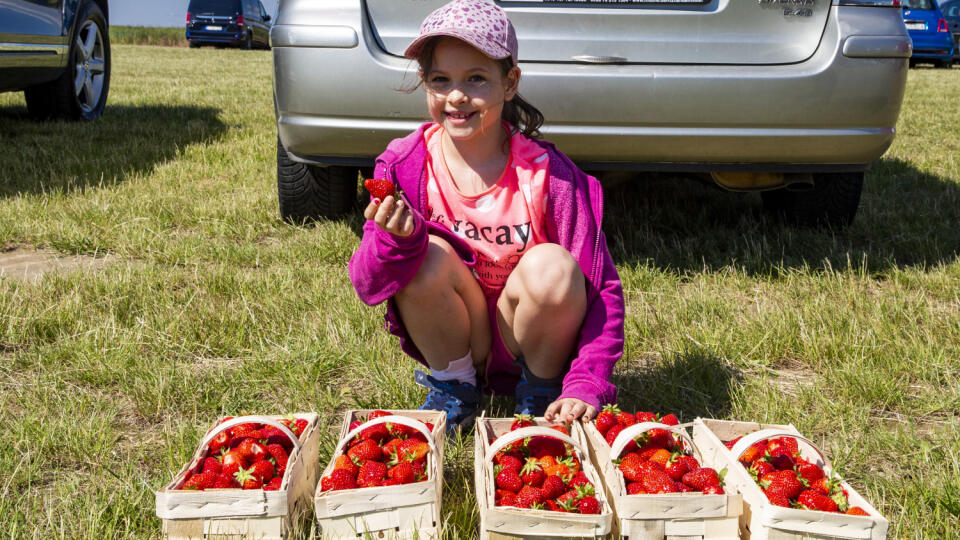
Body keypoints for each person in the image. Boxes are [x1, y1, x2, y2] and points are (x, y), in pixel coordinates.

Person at [349, 0, 624, 433]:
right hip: (461, 334)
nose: (456, 96)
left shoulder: (551, 176)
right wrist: (393, 241)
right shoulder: (404, 166)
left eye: (476, 78)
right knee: (426, 253)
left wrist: (587, 380)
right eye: (441, 80)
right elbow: (368, 285)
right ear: (424, 83)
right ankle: (455, 387)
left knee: (552, 264)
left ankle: (542, 391)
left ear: (509, 83)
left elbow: (602, 288)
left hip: (528, 337)